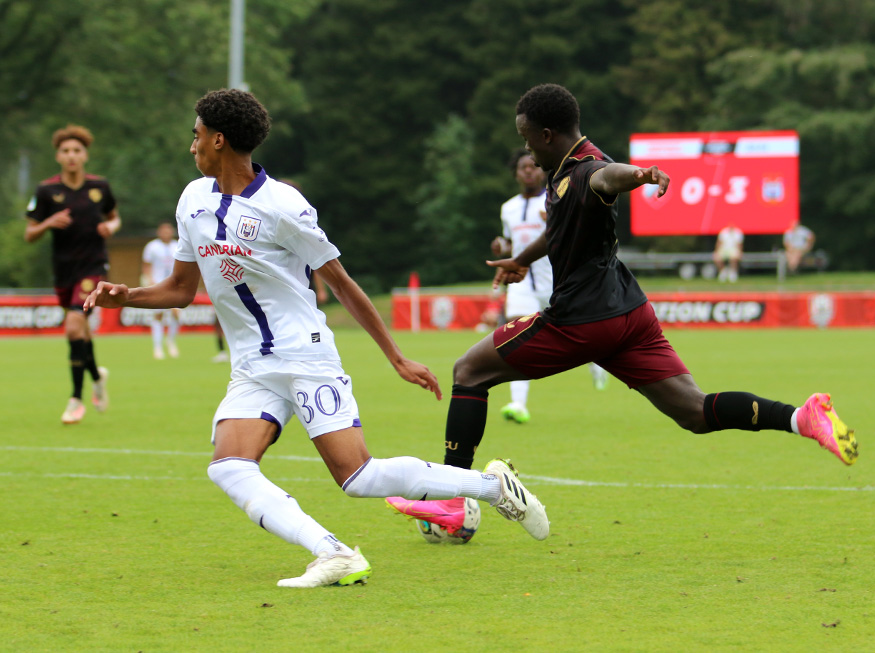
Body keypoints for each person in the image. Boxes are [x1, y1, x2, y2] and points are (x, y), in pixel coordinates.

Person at [84, 89, 548, 588]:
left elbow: (343, 286)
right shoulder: (192, 199)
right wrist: (125, 296)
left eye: (195, 135)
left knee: (358, 478)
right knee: (228, 466)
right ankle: (332, 552)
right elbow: (179, 290)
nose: (190, 145)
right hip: (252, 367)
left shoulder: (283, 205)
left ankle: (490, 486)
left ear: (219, 140)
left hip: (304, 355)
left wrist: (395, 356)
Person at [387, 83, 857, 540]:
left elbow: (610, 177)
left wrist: (643, 175)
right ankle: (802, 417)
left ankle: (451, 497)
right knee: (694, 410)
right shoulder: (565, 172)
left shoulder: (590, 169)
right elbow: (562, 228)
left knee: (468, 371)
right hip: (630, 316)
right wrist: (521, 261)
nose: (526, 149)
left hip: (582, 321)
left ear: (547, 135)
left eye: (526, 138)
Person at [493, 150, 609, 424]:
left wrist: (557, 223)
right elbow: (510, 243)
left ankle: (596, 361)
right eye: (523, 167)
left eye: (533, 166)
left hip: (556, 279)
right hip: (521, 283)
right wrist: (501, 247)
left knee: (579, 331)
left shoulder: (555, 198)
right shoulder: (508, 208)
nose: (529, 171)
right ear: (516, 173)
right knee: (515, 337)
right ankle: (518, 404)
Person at [24, 124, 118, 424]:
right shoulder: (46, 190)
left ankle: (76, 399)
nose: (71, 155)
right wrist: (48, 222)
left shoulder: (100, 187)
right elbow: (29, 233)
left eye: (77, 150)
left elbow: (114, 218)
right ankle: (97, 377)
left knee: (73, 327)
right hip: (63, 270)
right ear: (58, 156)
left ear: (85, 155)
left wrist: (110, 228)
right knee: (81, 332)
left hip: (93, 267)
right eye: (66, 151)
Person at [142, 222, 180, 359]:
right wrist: (149, 281)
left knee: (176, 313)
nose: (166, 233)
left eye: (168, 231)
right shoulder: (152, 247)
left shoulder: (177, 245)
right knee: (158, 315)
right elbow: (146, 266)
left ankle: (171, 341)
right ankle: (157, 347)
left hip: (174, 285)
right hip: (157, 284)